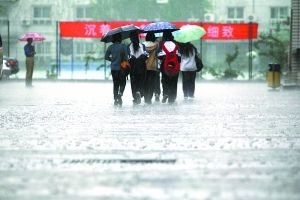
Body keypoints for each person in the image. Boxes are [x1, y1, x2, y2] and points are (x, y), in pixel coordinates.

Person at [105, 33, 128, 106]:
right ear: (120, 39)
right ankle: (120, 94)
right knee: (123, 82)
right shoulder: (123, 46)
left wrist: (112, 60)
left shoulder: (110, 47)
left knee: (115, 84)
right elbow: (126, 58)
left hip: (114, 68)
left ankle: (115, 99)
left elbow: (106, 57)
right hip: (122, 68)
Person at [158, 31, 181, 104]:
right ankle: (172, 97)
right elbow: (179, 57)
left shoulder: (162, 45)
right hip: (175, 66)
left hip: (165, 66)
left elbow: (159, 56)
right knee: (174, 82)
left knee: (165, 80)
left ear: (164, 36)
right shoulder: (176, 45)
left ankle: (165, 93)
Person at [128, 31, 147, 105]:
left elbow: (128, 57)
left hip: (133, 67)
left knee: (133, 83)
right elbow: (146, 55)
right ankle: (139, 92)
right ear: (138, 37)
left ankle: (135, 96)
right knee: (141, 82)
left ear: (131, 39)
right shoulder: (142, 46)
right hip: (142, 66)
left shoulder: (129, 46)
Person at [143, 32, 159, 104]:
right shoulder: (156, 44)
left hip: (144, 66)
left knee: (145, 82)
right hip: (153, 66)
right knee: (152, 83)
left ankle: (146, 98)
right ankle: (150, 97)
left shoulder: (143, 45)